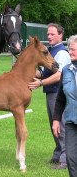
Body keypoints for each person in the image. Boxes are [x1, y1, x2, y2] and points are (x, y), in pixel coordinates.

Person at [28, 23, 71, 169]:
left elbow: (59, 75)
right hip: (51, 93)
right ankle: (58, 154)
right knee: (54, 126)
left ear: (60, 35)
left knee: (61, 126)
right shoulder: (51, 51)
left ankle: (65, 160)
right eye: (48, 34)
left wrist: (41, 83)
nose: (49, 36)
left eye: (52, 34)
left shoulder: (62, 53)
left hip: (59, 94)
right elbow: (44, 73)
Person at [52, 35, 77, 177]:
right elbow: (60, 98)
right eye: (69, 49)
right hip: (71, 122)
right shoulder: (66, 70)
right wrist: (56, 119)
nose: (70, 52)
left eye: (73, 49)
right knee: (71, 158)